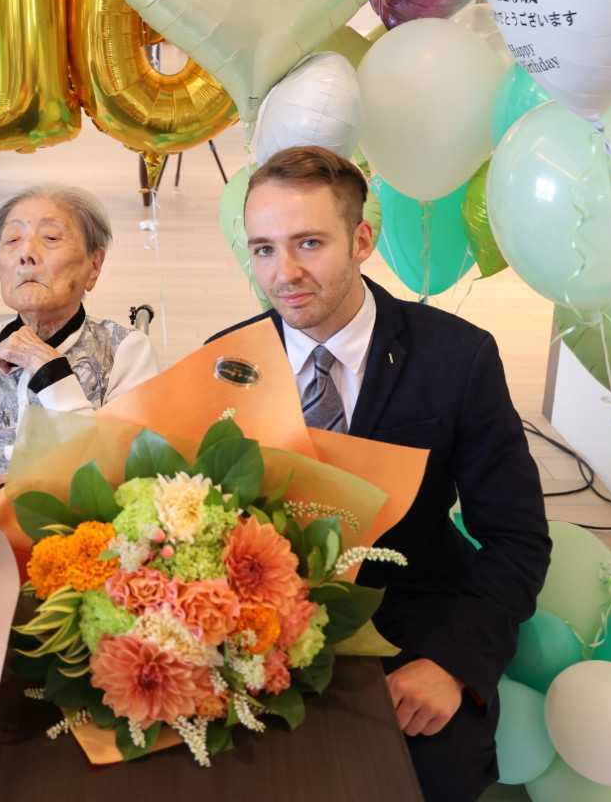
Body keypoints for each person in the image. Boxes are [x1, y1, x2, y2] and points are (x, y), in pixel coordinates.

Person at [212, 146, 550, 800]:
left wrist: (452, 665)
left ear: (362, 239)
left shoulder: (458, 358)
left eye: (308, 243)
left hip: (413, 619)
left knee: (429, 774)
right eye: (263, 249)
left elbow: (516, 540)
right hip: (257, 627)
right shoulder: (227, 360)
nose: (284, 273)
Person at [0, 185, 159, 501]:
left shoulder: (125, 350)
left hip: (73, 537)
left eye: (50, 238)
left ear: (94, 266)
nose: (26, 254)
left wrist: (52, 373)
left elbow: (126, 475)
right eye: (12, 240)